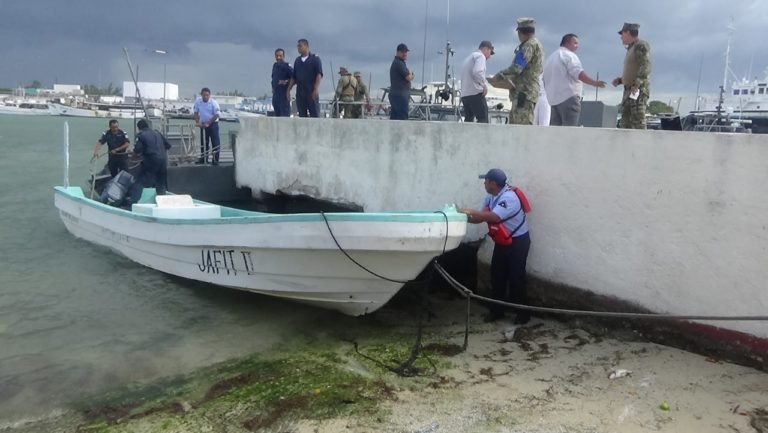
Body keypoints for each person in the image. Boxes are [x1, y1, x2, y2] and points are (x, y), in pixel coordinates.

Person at [459, 169, 531, 324]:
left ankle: (522, 314)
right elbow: (480, 218)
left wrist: (468, 211)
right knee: (497, 275)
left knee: (516, 277)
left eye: (486, 181)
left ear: (493, 183)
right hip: (503, 242)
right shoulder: (490, 198)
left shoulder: (509, 198)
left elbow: (494, 217)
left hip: (518, 242)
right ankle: (497, 311)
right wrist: (461, 218)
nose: (484, 183)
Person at [543, 34, 606, 126]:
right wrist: (594, 82)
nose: (577, 46)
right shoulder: (569, 55)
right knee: (569, 132)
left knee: (556, 134)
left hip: (553, 101)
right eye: (575, 43)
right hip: (569, 98)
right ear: (567, 43)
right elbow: (578, 73)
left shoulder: (550, 58)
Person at [493, 18, 544, 125]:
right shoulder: (536, 44)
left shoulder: (529, 45)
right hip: (527, 91)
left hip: (524, 93)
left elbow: (517, 68)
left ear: (521, 32)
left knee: (520, 126)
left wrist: (499, 75)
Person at [611, 23, 651, 129]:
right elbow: (633, 69)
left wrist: (637, 83)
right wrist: (620, 80)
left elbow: (646, 65)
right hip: (629, 90)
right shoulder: (631, 48)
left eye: (622, 34)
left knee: (638, 122)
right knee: (626, 123)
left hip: (637, 90)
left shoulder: (640, 45)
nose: (621, 37)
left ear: (628, 33)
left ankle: (640, 144)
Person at [133, 119, 171, 197]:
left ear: (139, 128)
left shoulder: (141, 135)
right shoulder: (158, 133)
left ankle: (134, 201)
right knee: (161, 183)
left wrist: (134, 152)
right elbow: (168, 145)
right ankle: (162, 200)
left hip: (151, 161)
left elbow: (137, 150)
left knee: (142, 181)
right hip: (163, 161)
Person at [460, 40, 494, 123]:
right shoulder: (480, 56)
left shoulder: (468, 58)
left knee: (468, 120)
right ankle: (481, 136)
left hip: (465, 95)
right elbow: (477, 72)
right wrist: (484, 85)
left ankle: (467, 136)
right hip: (475, 93)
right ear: (486, 49)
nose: (489, 57)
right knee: (483, 118)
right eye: (490, 52)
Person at [288, 38, 323, 118]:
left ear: (306, 46)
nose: (298, 48)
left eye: (300, 46)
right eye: (297, 46)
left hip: (311, 92)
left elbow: (319, 75)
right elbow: (294, 77)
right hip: (300, 93)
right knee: (302, 115)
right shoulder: (297, 61)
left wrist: (316, 89)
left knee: (314, 115)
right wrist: (288, 90)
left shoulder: (315, 59)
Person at [192, 87, 221, 165]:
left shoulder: (213, 103)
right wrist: (198, 122)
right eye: (204, 95)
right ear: (201, 95)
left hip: (213, 124)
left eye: (207, 95)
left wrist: (208, 122)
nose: (205, 97)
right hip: (203, 124)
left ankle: (215, 160)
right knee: (204, 143)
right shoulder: (198, 101)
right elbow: (195, 113)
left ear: (209, 95)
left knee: (215, 143)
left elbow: (217, 114)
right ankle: (203, 159)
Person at [389, 43, 414, 120]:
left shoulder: (397, 62)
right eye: (403, 52)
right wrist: (411, 73)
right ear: (398, 52)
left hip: (396, 95)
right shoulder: (399, 63)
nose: (405, 54)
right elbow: (409, 77)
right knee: (402, 119)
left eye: (406, 52)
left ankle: (393, 132)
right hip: (400, 96)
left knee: (395, 119)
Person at [271, 48, 293, 117]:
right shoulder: (275, 66)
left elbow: (294, 78)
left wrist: (286, 82)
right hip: (276, 96)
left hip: (284, 96)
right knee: (277, 117)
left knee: (284, 117)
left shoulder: (287, 66)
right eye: (277, 56)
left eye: (280, 56)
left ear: (283, 56)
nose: (278, 57)